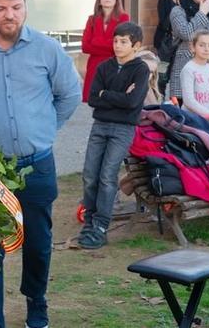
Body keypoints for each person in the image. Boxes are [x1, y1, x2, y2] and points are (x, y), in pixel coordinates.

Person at [0, 0, 80, 328]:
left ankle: (36, 305)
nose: (9, 15)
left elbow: (70, 95)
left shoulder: (48, 49)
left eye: (16, 7)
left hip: (37, 167)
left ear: (25, 6)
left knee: (38, 245)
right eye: (1, 8)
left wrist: (43, 129)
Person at [78, 22, 150, 250]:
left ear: (136, 46)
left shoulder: (140, 70)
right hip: (100, 126)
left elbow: (132, 103)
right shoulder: (104, 67)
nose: (117, 45)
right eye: (115, 41)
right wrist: (114, 95)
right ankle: (89, 220)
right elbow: (92, 99)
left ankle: (100, 225)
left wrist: (105, 94)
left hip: (122, 130)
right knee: (90, 174)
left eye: (123, 42)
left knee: (107, 176)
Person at [81, 0, 129, 102]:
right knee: (94, 103)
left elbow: (121, 46)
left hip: (114, 66)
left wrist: (96, 41)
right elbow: (85, 47)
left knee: (112, 101)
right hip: (94, 67)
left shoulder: (124, 18)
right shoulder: (92, 19)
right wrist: (110, 44)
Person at [180, 30, 209, 119]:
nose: (206, 49)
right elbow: (188, 100)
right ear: (193, 47)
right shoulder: (189, 69)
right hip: (193, 117)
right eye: (201, 45)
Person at [154, 0, 184, 94]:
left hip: (180, 41)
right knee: (162, 70)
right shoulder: (164, 0)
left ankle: (175, 98)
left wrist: (180, 2)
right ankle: (160, 95)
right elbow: (164, 21)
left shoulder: (184, 1)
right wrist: (176, 7)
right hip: (165, 41)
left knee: (177, 70)